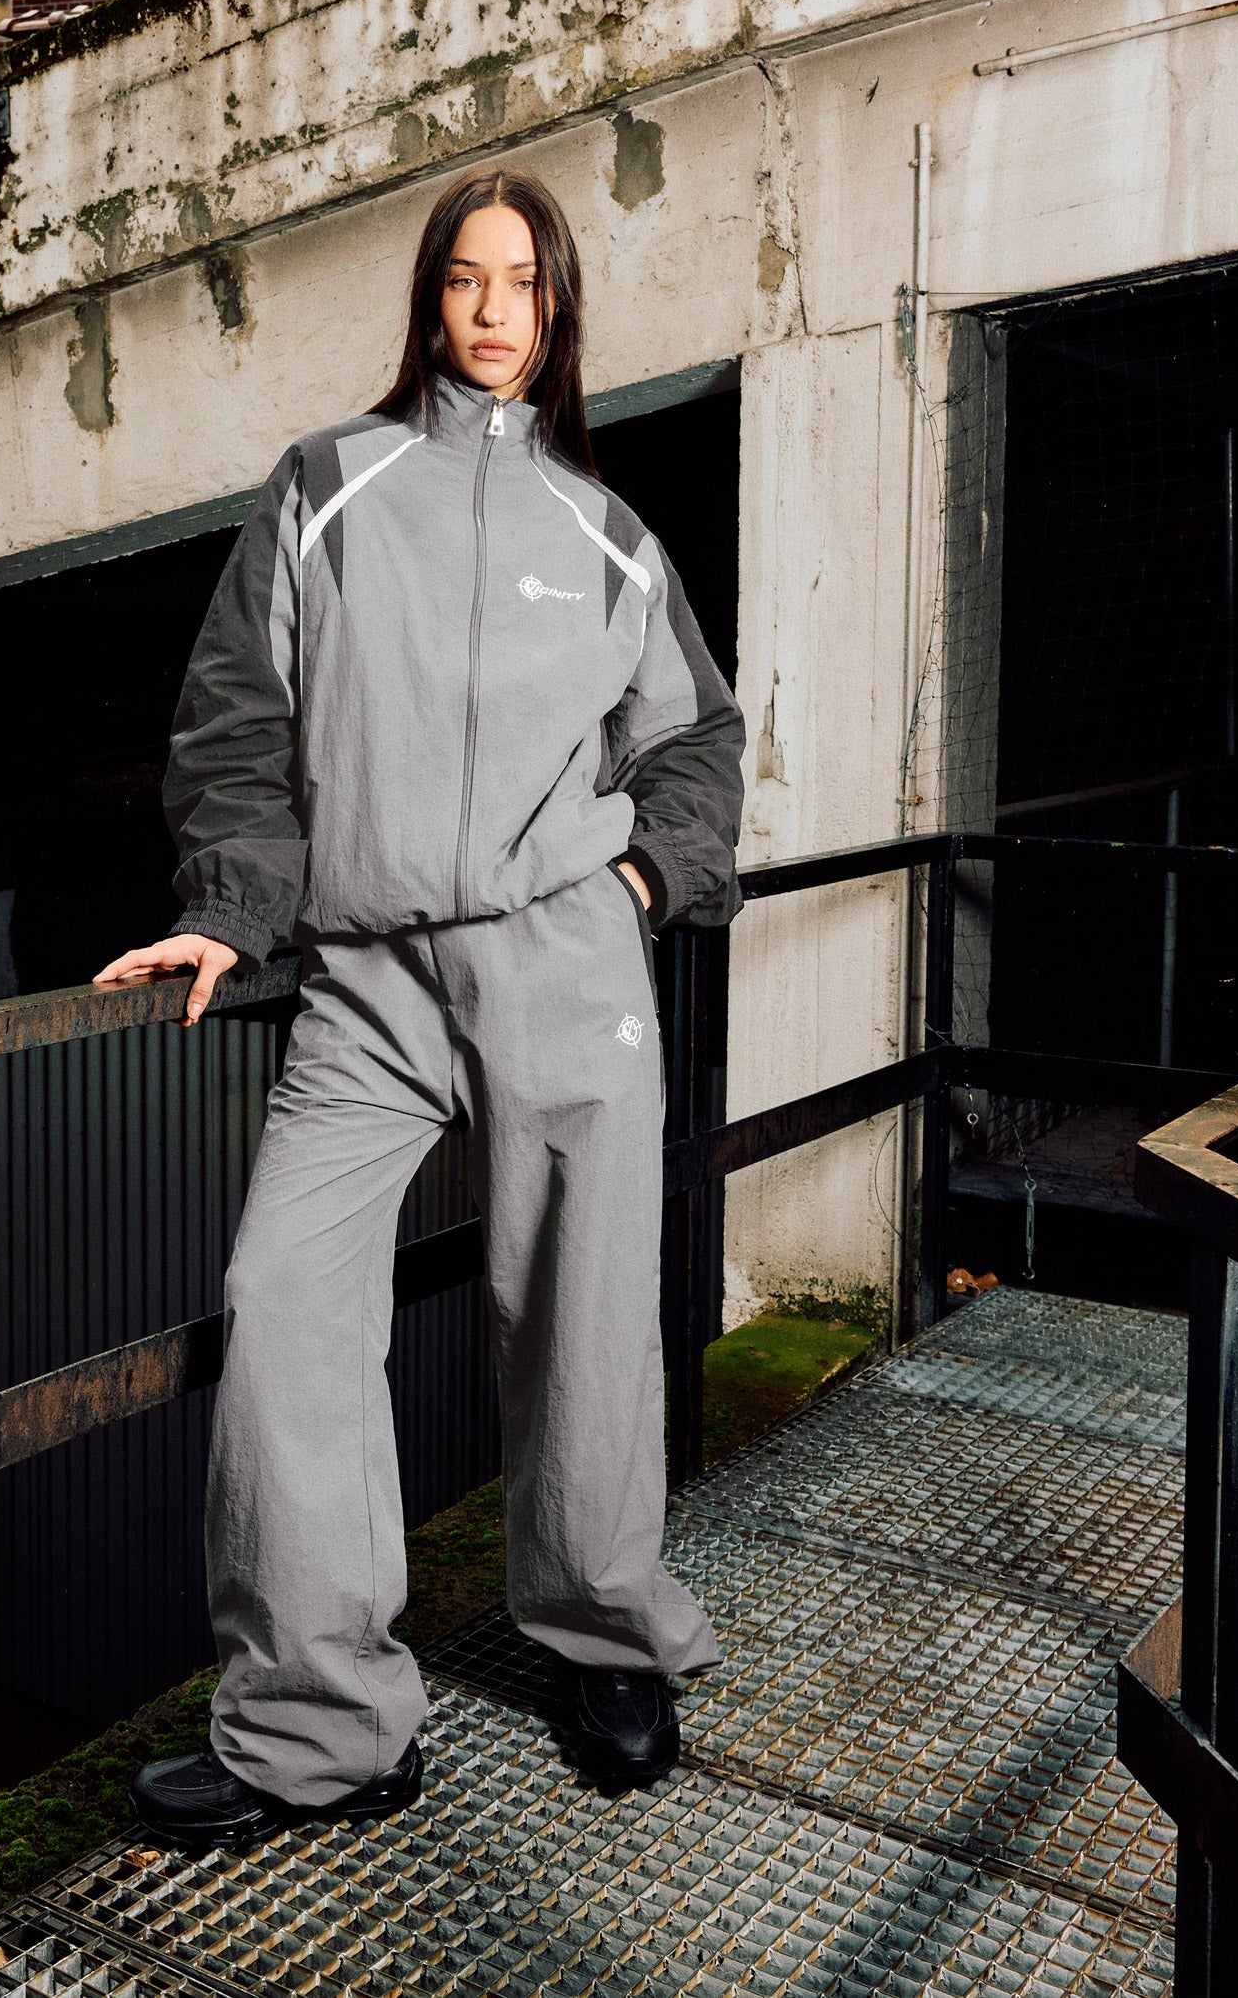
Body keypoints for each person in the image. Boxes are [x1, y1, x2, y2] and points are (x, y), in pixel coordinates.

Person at [94, 165, 746, 1856]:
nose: (491, 310)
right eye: (465, 278)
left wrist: (640, 885)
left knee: (584, 1316)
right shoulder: (326, 486)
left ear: (558, 308)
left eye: (522, 282)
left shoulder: (609, 535)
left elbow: (694, 741)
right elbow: (235, 722)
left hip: (564, 969)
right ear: (428, 298)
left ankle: (603, 1638)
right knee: (282, 1296)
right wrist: (228, 914)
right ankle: (322, 1729)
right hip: (367, 980)